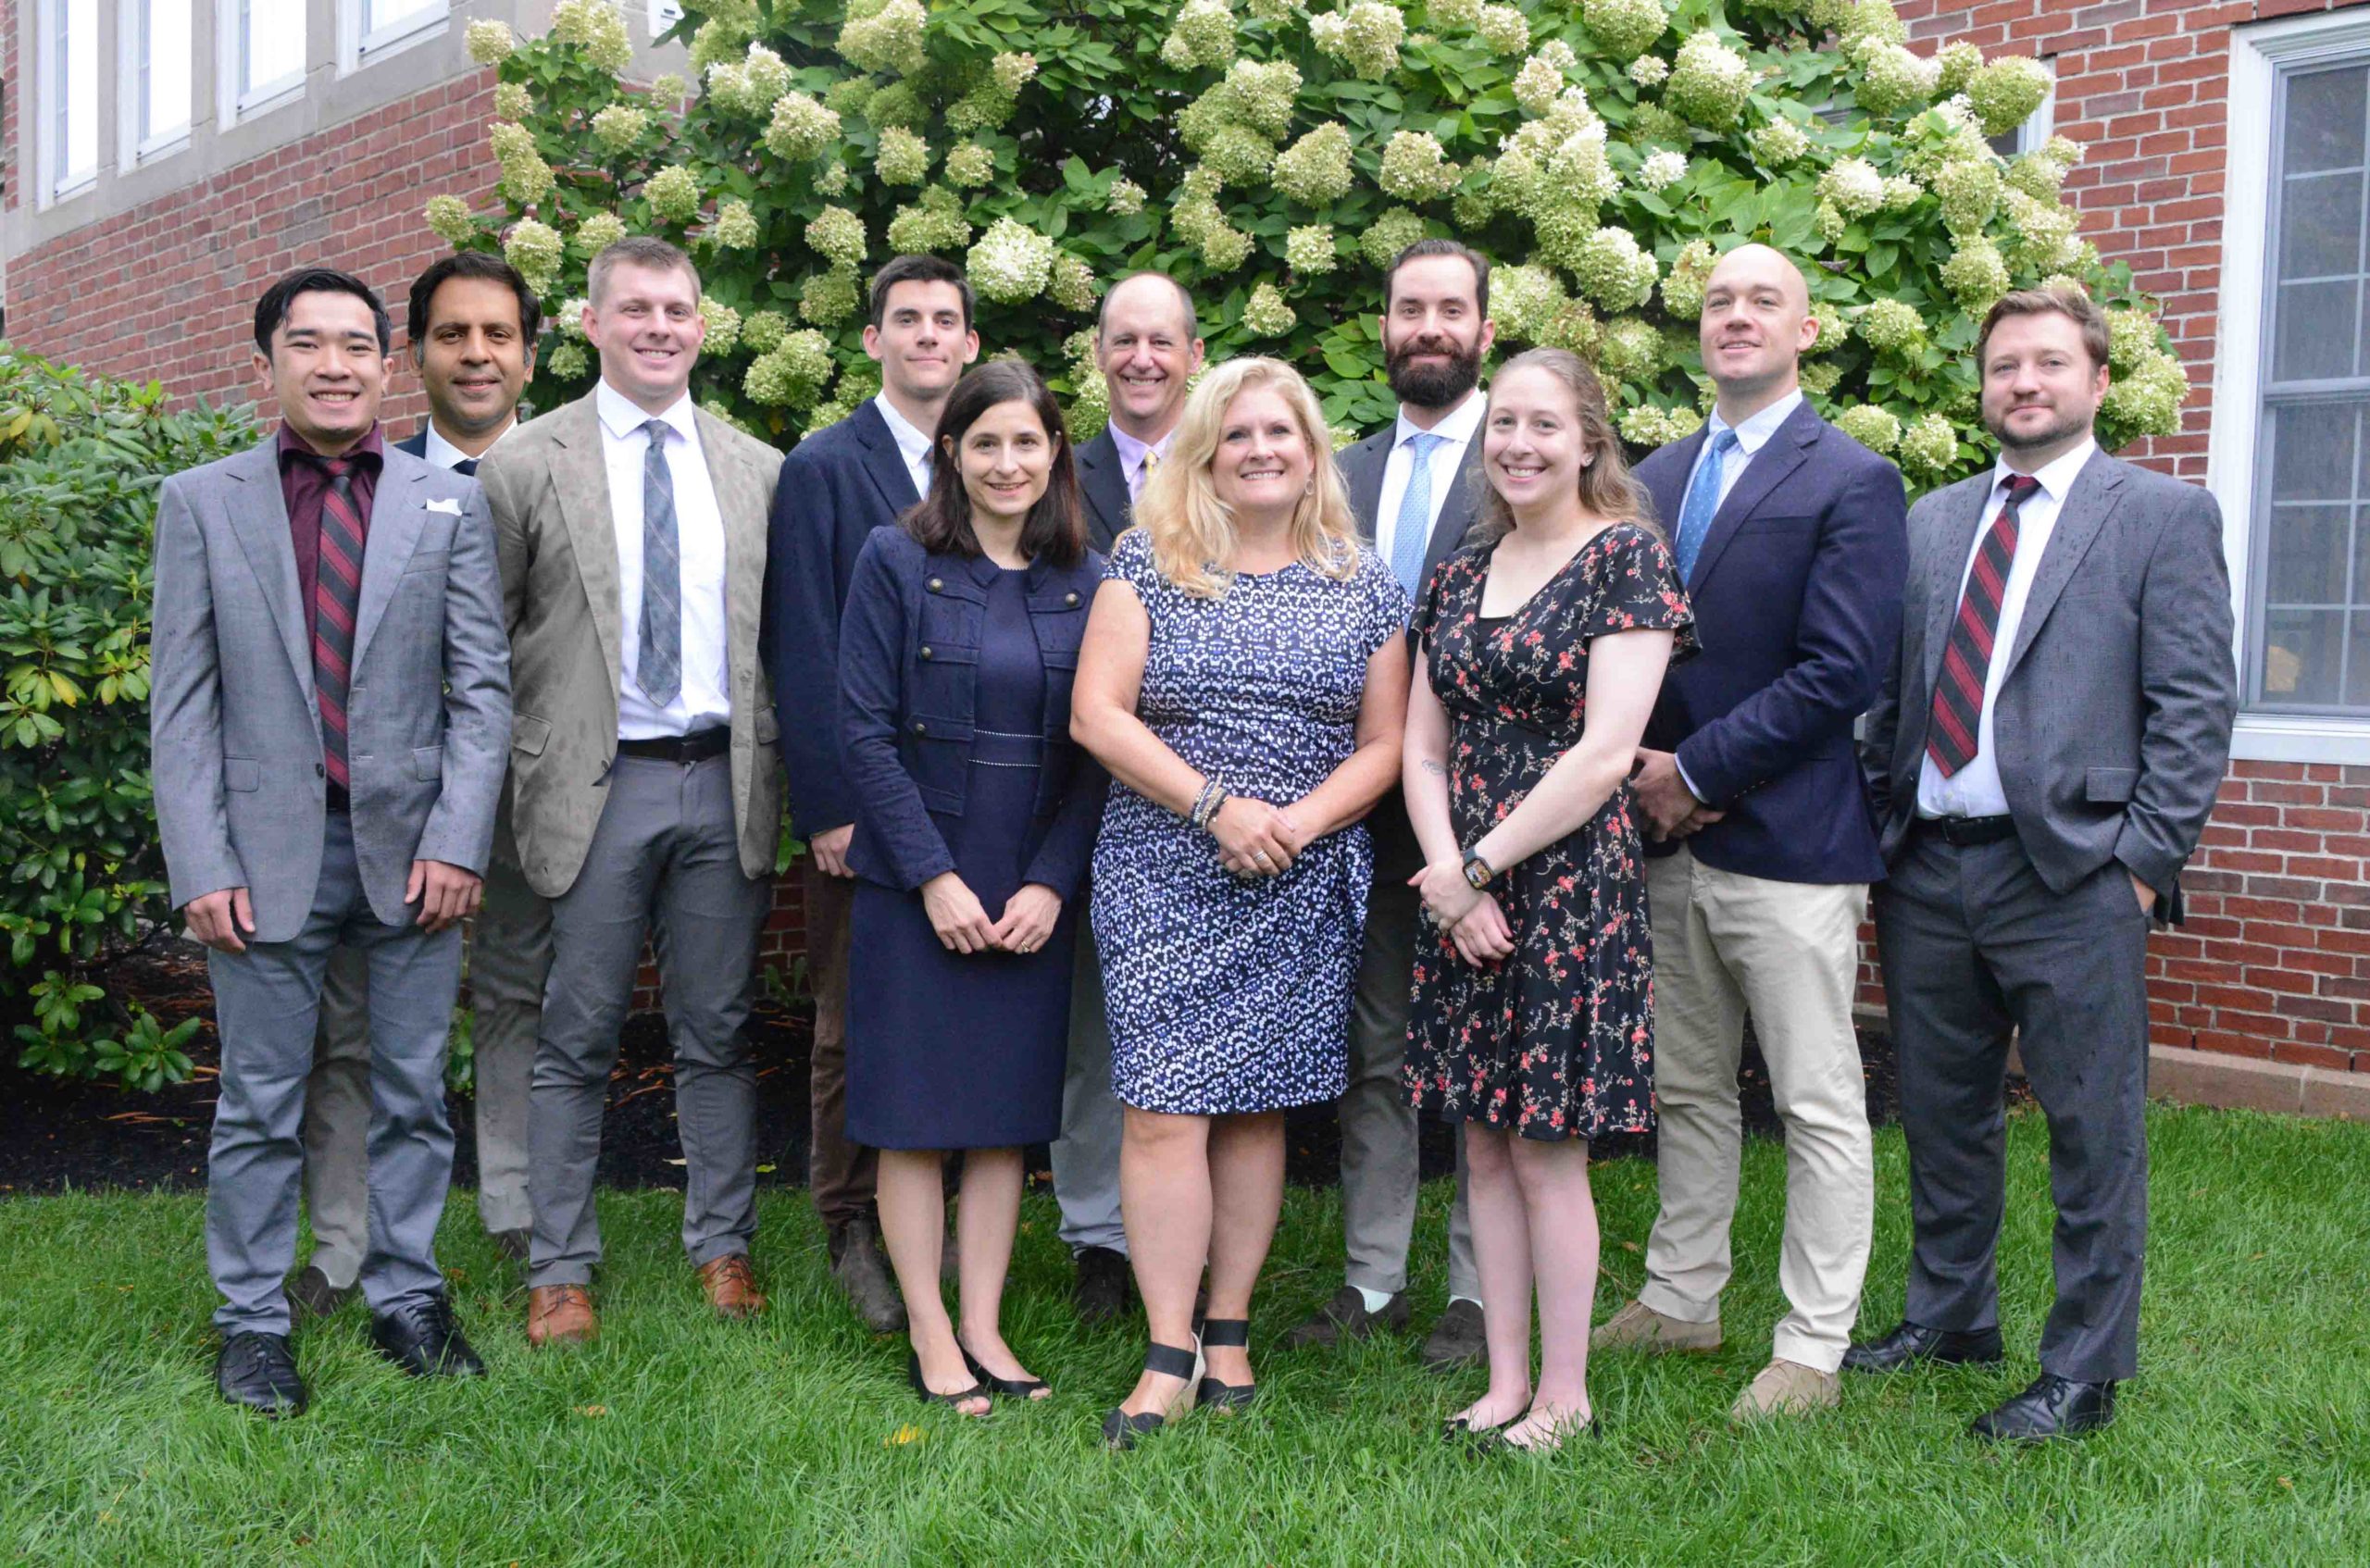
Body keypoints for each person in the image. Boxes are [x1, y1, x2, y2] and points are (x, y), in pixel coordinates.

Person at [1851, 284, 2236, 1441]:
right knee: (1943, 1109)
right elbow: (1889, 693)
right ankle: (1951, 1313)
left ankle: (2082, 1368)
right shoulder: (1932, 520)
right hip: (1929, 869)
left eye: (2049, 364)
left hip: (2072, 873)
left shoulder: (2160, 514)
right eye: (2004, 365)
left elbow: (2196, 703)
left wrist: (2140, 860)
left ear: (2097, 383)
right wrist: (1886, 827)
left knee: (2090, 1126)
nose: (2024, 382)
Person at [150, 267, 511, 1413]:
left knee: (410, 1086)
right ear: (268, 363)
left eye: (357, 344)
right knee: (259, 1100)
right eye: (308, 343)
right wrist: (202, 864)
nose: (336, 363)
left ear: (385, 363)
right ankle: (253, 1322)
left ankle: (407, 1291)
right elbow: (182, 706)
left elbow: (482, 692)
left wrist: (459, 842)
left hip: (413, 857)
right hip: (260, 863)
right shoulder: (201, 502)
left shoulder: (443, 501)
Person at [1594, 243, 1908, 1423]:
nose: (1736, 316)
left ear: (1805, 328)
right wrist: (1647, 778)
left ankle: (1811, 1342)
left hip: (1787, 843)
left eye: (1761, 300)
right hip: (1660, 835)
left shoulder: (1852, 478)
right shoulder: (1654, 474)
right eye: (1719, 300)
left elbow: (1842, 671)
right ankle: (1681, 1296)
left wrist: (1703, 770)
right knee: (1686, 1086)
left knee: (1815, 1098)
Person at [1071, 357, 1410, 1448]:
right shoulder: (1148, 563)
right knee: (1164, 1106)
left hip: (1301, 875)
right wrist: (1217, 807)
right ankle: (1167, 1346)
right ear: (1204, 452)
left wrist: (1296, 824)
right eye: (1237, 435)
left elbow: (1389, 743)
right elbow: (1098, 716)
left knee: (1257, 1106)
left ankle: (1229, 1329)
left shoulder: (1366, 582)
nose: (1261, 450)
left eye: (1283, 432)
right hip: (1162, 865)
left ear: (1313, 451)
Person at [477, 237, 785, 1348]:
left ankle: (724, 1246)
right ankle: (559, 1265)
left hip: (721, 780)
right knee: (576, 1033)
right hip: (594, 793)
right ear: (592, 323)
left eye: (679, 309)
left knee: (717, 1028)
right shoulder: (528, 464)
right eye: (637, 308)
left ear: (703, 327)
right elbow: (492, 644)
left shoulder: (757, 467)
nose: (660, 326)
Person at [1404, 347, 1690, 1450]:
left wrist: (1478, 870)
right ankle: (1503, 1376)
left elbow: (1604, 752)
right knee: (1480, 1140)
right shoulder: (1461, 570)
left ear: (1587, 440)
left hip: (1565, 886)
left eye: (1541, 425)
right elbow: (1423, 745)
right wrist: (1445, 878)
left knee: (1544, 1142)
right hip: (1458, 885)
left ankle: (1564, 1394)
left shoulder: (1625, 559)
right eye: (1502, 425)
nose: (1517, 444)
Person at [838, 362, 1107, 1413]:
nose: (1008, 463)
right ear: (950, 450)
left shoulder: (1090, 576)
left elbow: (1100, 751)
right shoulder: (895, 559)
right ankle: (928, 1323)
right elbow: (860, 729)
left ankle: (986, 1322)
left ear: (1054, 455)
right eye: (985, 442)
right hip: (920, 883)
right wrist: (933, 877)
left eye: (1027, 443)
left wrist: (1049, 883)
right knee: (914, 1118)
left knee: (1001, 1119)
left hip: (1028, 885)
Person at [293, 251, 543, 1317]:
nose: (476, 354)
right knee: (351, 1030)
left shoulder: (575, 472)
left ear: (531, 353)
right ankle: (345, 1243)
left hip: (536, 791)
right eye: (452, 334)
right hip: (382, 812)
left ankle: (522, 1209)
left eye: (497, 334)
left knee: (520, 999)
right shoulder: (365, 478)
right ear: (417, 353)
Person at [767, 255, 981, 1334]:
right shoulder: (824, 467)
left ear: (970, 345)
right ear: (872, 341)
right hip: (866, 794)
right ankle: (850, 1218)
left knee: (951, 1007)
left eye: (946, 320)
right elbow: (800, 642)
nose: (927, 336)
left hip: (969, 795)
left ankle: (942, 1217)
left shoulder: (995, 462)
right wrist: (832, 807)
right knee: (853, 1017)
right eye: (907, 319)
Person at [1310, 238, 1491, 1367]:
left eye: (1448, 310)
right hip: (1362, 815)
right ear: (1382, 329)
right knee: (1374, 1049)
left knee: (1476, 1054)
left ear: (1482, 327)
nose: (1427, 327)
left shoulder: (1527, 459)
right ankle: (1371, 1274)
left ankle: (1476, 1286)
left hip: (1493, 812)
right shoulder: (1341, 473)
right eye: (1407, 309)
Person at [1053, 271, 1204, 1322]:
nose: (1141, 356)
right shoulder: (1054, 471)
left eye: (1161, 339)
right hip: (1078, 780)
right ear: (1097, 354)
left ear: (1193, 355)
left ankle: (1200, 1232)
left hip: (1213, 789)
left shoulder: (1238, 467)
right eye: (1122, 339)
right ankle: (1095, 1234)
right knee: (1089, 1028)